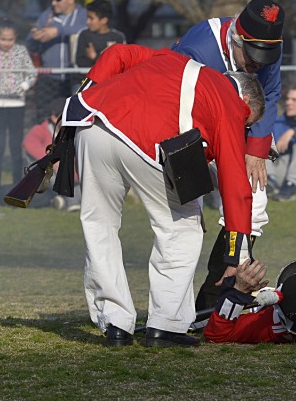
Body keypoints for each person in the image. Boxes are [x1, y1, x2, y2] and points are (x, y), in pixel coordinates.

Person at [60, 44, 264, 347]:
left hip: (92, 123)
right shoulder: (232, 104)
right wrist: (236, 257)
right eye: (248, 123)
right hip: (149, 141)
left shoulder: (171, 58)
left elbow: (117, 53)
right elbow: (236, 186)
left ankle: (115, 323)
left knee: (98, 224)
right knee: (182, 227)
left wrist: (87, 94)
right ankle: (165, 324)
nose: (243, 128)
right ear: (245, 100)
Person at [170, 0, 285, 312]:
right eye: (251, 56)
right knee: (186, 222)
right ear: (236, 38)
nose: (258, 64)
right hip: (189, 135)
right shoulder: (199, 48)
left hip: (240, 129)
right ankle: (171, 310)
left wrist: (257, 149)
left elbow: (271, 93)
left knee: (255, 203)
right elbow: (176, 104)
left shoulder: (267, 48)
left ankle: (214, 301)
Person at [0, 19, 37, 204]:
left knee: (15, 147)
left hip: (17, 105)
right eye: (3, 39)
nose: (7, 43)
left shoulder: (21, 51)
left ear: (15, 38)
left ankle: (16, 186)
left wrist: (24, 85)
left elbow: (32, 73)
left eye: (10, 39)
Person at [27, 0, 87, 118]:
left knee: (72, 119)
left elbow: (86, 29)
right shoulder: (47, 15)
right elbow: (30, 41)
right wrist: (36, 36)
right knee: (43, 118)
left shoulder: (83, 14)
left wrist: (59, 31)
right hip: (49, 76)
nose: (54, 3)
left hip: (74, 78)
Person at [22, 97, 81, 211]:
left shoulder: (75, 134)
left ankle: (63, 201)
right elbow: (29, 143)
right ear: (55, 118)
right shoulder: (41, 130)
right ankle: (72, 201)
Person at [72, 0, 126, 68]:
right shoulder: (85, 35)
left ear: (104, 20)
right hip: (87, 77)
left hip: (109, 78)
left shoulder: (118, 37)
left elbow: (119, 64)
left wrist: (95, 57)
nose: (87, 22)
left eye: (91, 18)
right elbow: (80, 62)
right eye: (87, 18)